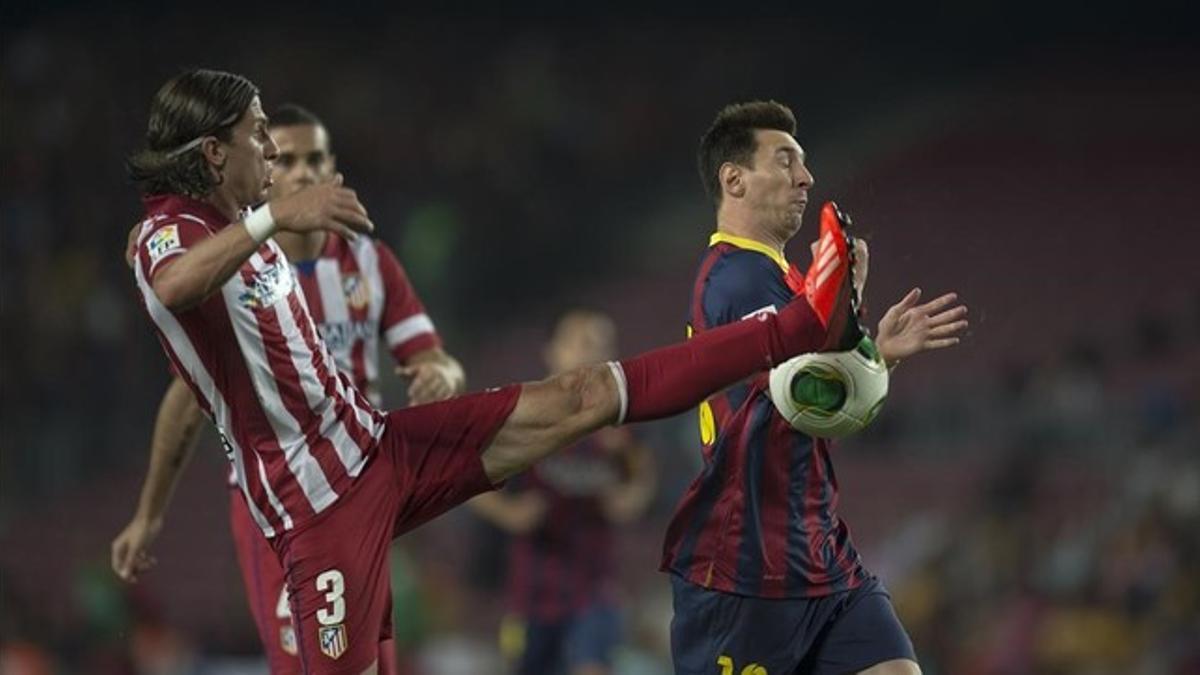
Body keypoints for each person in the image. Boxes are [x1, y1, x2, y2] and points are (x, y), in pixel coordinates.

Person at [118, 69, 931, 675]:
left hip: (381, 449)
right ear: (212, 151)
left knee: (580, 396)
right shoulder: (169, 229)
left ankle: (790, 329)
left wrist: (433, 366)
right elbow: (172, 289)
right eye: (259, 135)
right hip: (315, 509)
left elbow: (414, 346)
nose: (272, 151)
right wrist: (272, 217)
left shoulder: (340, 257)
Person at [111, 102, 463, 674]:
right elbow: (186, 399)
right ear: (265, 168)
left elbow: (433, 357)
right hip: (276, 503)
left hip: (360, 485)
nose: (302, 171)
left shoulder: (368, 263)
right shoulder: (228, 269)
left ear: (333, 169)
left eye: (317, 157)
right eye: (289, 157)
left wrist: (440, 376)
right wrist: (149, 514)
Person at [663, 100, 970, 675]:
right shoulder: (738, 276)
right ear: (735, 178)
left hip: (821, 557)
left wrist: (871, 347)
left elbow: (817, 398)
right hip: (746, 572)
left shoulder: (781, 279)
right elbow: (812, 399)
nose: (804, 178)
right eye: (784, 162)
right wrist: (845, 316)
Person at [470, 309, 656, 675]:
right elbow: (468, 480)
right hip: (532, 594)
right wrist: (509, 514)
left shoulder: (619, 423)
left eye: (602, 345)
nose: (592, 353)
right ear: (553, 352)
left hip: (596, 588)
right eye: (582, 343)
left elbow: (642, 474)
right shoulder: (525, 419)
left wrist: (629, 499)